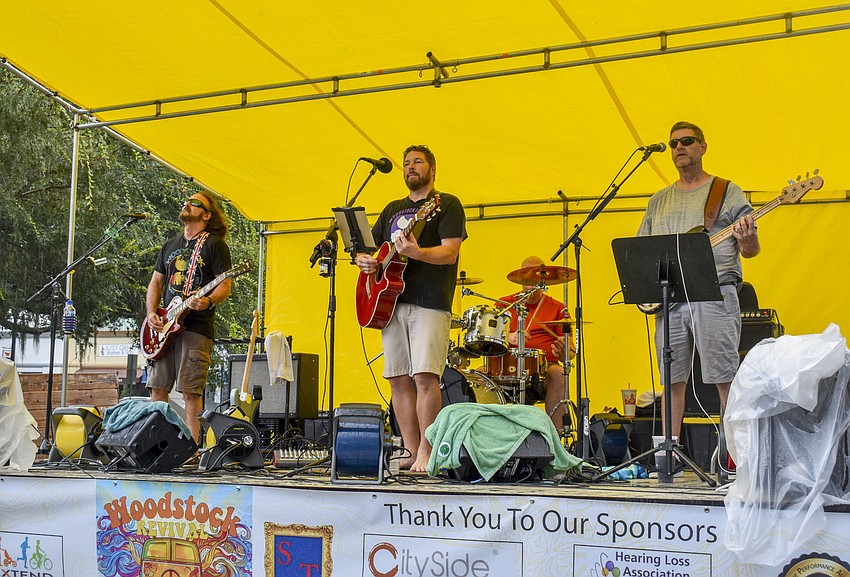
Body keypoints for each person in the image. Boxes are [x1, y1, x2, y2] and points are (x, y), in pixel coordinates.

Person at [637, 121, 760, 439]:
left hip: (714, 290)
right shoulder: (658, 200)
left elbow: (751, 249)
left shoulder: (725, 190)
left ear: (702, 147)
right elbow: (643, 250)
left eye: (687, 141)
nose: (679, 147)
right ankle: (668, 454)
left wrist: (747, 240)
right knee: (671, 377)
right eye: (674, 142)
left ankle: (733, 457)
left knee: (724, 374)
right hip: (670, 297)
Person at [355, 145, 466, 472]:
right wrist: (365, 261)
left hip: (429, 301)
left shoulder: (446, 204)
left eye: (418, 162)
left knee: (424, 376)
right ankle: (409, 448)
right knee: (397, 379)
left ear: (432, 169)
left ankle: (427, 453)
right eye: (406, 163)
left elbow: (450, 253)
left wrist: (416, 253)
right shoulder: (392, 209)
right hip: (390, 303)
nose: (410, 167)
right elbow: (375, 251)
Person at [145, 192, 232, 442]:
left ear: (206, 215)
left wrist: (207, 300)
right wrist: (152, 313)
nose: (187, 204)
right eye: (186, 200)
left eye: (195, 203)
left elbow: (224, 285)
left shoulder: (214, 244)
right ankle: (153, 443)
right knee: (158, 387)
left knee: (191, 391)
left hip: (196, 327)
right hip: (165, 326)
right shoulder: (169, 245)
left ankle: (191, 449)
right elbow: (155, 283)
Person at [497, 256, 576, 430]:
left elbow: (571, 352)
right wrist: (508, 337)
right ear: (519, 277)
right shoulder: (505, 304)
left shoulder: (558, 308)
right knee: (478, 377)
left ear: (543, 278)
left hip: (543, 370)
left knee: (559, 373)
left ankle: (556, 437)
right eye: (527, 274)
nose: (531, 279)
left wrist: (564, 350)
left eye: (536, 274)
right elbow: (491, 339)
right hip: (507, 369)